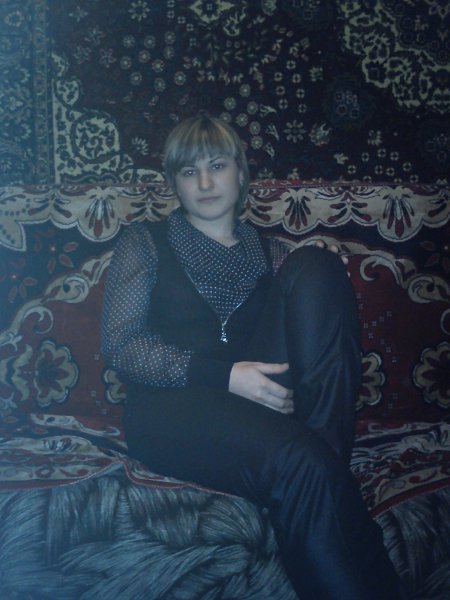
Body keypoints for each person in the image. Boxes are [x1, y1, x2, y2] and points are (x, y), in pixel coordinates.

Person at [101, 114, 404, 599]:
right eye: (189, 171)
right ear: (174, 183)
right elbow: (121, 346)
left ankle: (324, 456)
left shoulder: (275, 255)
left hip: (255, 417)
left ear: (241, 173)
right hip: (170, 412)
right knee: (303, 460)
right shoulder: (145, 243)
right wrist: (224, 376)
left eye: (217, 166)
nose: (205, 183)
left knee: (317, 265)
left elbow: (308, 347)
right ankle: (323, 466)